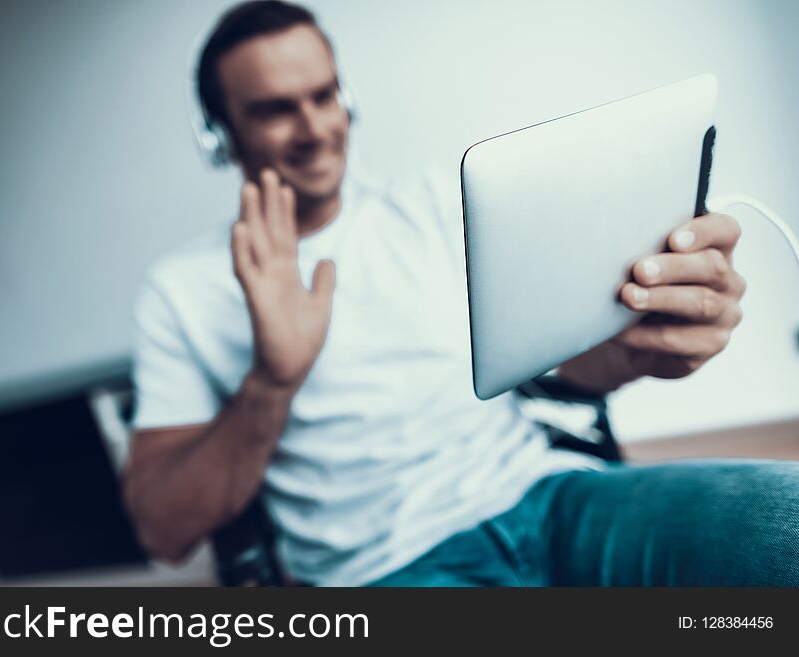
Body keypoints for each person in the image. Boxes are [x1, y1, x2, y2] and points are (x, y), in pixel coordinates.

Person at [122, 0, 798, 586]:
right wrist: (272, 380)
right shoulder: (182, 291)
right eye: (275, 110)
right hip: (389, 569)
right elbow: (162, 529)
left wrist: (645, 348)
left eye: (324, 96)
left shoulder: (439, 204)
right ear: (219, 136)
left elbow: (560, 375)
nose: (315, 129)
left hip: (546, 497)